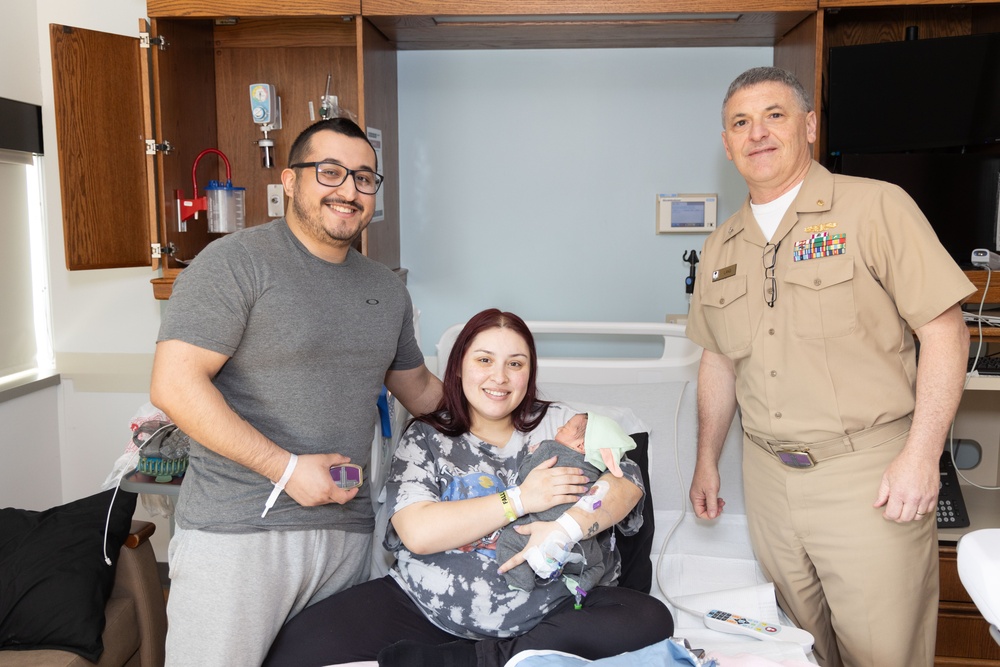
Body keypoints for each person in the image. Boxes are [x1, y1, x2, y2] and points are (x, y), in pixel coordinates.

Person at [686, 66, 974, 667]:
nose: (757, 133)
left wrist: (922, 457)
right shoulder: (722, 245)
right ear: (726, 142)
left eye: (775, 116)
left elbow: (945, 331)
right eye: (741, 122)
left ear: (809, 126)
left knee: (882, 653)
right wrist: (707, 459)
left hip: (866, 478)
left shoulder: (875, 207)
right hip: (767, 479)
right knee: (798, 653)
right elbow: (718, 360)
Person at [149, 117, 443, 666]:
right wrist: (285, 469)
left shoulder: (385, 289)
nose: (348, 190)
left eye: (364, 178)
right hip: (238, 532)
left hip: (346, 536)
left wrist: (524, 412)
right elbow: (173, 385)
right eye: (330, 172)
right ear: (289, 180)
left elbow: (420, 389)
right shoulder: (234, 264)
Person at [263, 308, 673, 667]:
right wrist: (520, 499)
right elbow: (418, 533)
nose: (499, 377)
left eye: (516, 363)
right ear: (458, 367)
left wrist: (565, 528)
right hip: (427, 608)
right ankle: (509, 656)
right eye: (484, 360)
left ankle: (485, 658)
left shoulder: (563, 424)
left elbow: (626, 482)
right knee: (291, 650)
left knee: (651, 619)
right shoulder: (428, 436)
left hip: (553, 608)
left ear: (530, 372)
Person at [496, 411, 637, 593]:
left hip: (535, 533)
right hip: (580, 547)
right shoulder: (598, 469)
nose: (558, 428)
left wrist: (531, 455)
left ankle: (521, 583)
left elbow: (525, 476)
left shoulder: (549, 448)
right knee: (598, 566)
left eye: (565, 427)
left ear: (581, 445)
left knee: (507, 541)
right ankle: (580, 584)